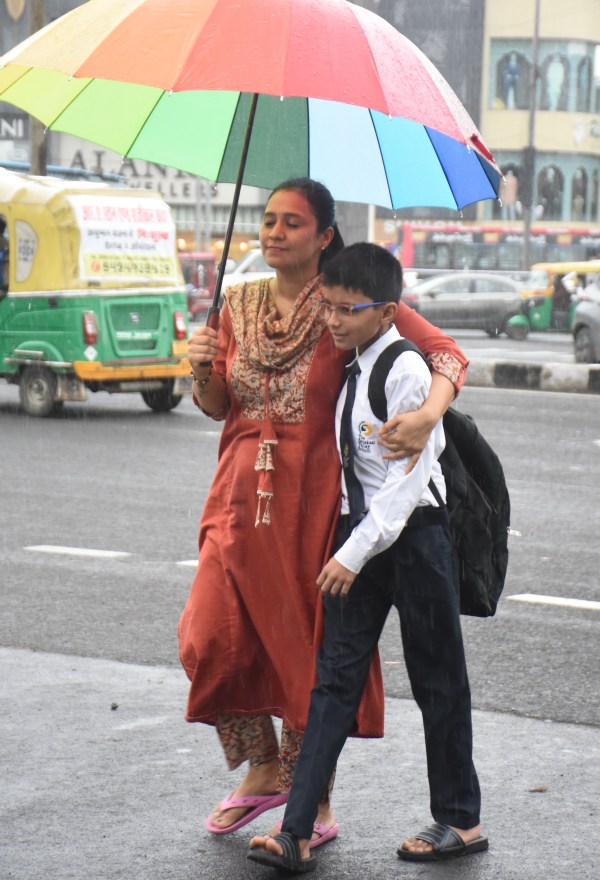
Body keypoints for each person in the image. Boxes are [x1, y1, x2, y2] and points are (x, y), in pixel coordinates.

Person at [178, 178, 470, 844]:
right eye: (267, 220)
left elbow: (446, 354)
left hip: (316, 497)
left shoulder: (348, 301)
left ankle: (316, 801)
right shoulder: (236, 300)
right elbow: (221, 403)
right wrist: (200, 369)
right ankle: (263, 770)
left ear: (324, 235)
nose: (274, 232)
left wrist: (426, 416)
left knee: (305, 647)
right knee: (210, 632)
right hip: (237, 491)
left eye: (291, 222)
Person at [248, 243, 486, 872]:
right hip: (367, 538)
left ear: (387, 312)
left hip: (415, 539)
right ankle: (295, 831)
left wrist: (350, 552)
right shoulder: (357, 363)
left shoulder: (403, 371)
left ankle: (461, 820)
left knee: (438, 680)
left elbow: (407, 484)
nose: (332, 320)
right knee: (333, 683)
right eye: (328, 307)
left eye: (347, 311)